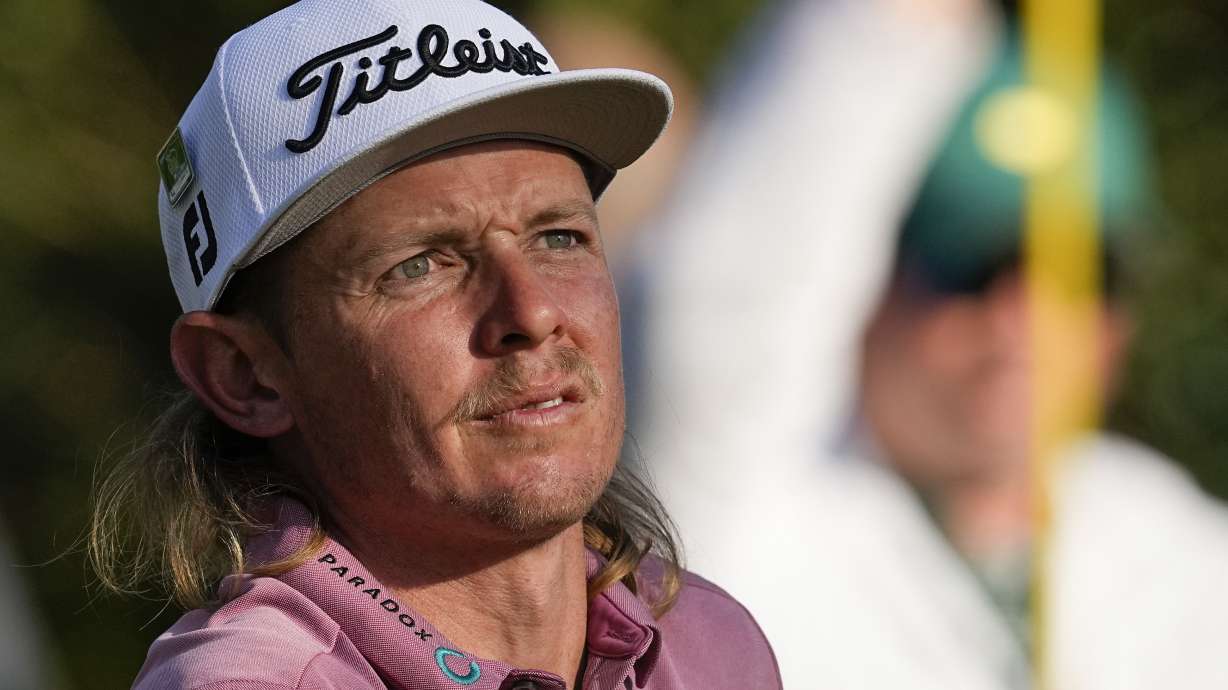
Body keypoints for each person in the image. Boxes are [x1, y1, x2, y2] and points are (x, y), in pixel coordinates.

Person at [87, 2, 781, 688]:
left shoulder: (710, 644)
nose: (533, 311)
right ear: (244, 375)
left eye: (559, 236)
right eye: (419, 265)